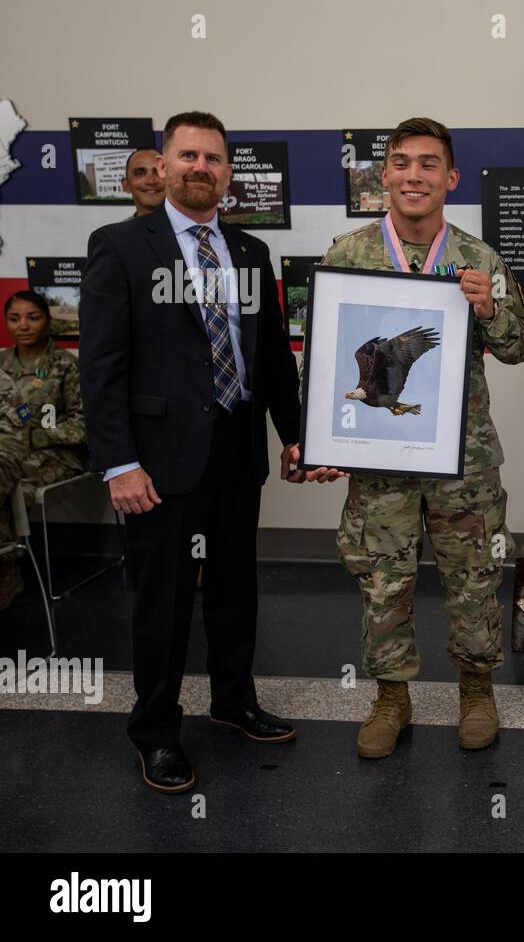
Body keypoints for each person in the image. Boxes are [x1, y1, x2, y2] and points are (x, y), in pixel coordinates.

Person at [79, 111, 321, 794]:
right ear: (161, 163)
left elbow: (272, 356)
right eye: (187, 155)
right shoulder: (121, 247)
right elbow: (100, 368)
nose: (200, 168)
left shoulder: (249, 252)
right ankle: (155, 731)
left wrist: (295, 432)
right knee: (164, 601)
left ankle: (232, 699)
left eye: (214, 159)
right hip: (158, 464)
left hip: (236, 452)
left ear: (228, 174)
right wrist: (118, 463)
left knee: (236, 588)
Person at [304, 116, 524, 759]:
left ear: (450, 178)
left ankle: (476, 689)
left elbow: (519, 349)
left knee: (473, 578)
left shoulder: (480, 257)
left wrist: (492, 309)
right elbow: (318, 364)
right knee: (383, 581)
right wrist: (319, 436)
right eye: (402, 162)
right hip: (380, 462)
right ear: (385, 175)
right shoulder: (347, 255)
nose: (414, 175)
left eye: (429, 164)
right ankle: (391, 697)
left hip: (465, 460)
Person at [0, 291, 87, 610]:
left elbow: (84, 426)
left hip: (56, 453)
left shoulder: (66, 365)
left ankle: (8, 570)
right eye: (14, 318)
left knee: (13, 488)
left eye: (33, 317)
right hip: (8, 451)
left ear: (47, 320)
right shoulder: (2, 364)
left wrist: (36, 436)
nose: (23, 325)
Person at [120, 148, 164, 219]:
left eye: (158, 172)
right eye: (140, 173)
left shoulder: (187, 227)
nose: (151, 181)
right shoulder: (118, 230)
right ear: (126, 185)